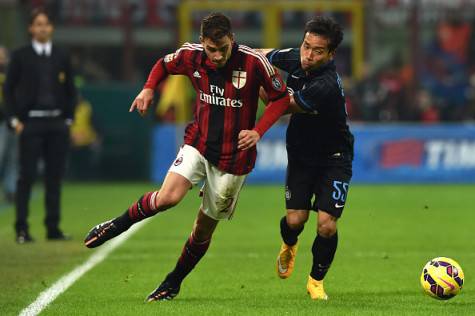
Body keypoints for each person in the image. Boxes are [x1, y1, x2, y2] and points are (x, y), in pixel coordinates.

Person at [84, 13, 289, 301]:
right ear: (203, 42)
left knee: (203, 230)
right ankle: (116, 225)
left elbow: (280, 99)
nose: (216, 56)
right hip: (199, 143)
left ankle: (173, 282)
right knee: (167, 198)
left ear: (232, 39)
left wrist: (258, 131)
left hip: (234, 158)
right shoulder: (192, 56)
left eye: (222, 49)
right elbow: (164, 64)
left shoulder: (254, 62)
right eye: (211, 49)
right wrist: (147, 88)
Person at [258, 16, 354, 300]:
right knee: (295, 221)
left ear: (331, 54)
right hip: (301, 154)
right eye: (306, 46)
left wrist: (257, 84)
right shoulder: (297, 58)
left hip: (335, 157)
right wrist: (246, 60)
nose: (308, 55)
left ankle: (315, 281)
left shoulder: (325, 85)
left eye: (317, 51)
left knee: (326, 224)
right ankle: (289, 244)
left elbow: (280, 105)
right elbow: (262, 55)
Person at [3, 8, 76, 243]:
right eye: (38, 24)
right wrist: (14, 120)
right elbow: (8, 90)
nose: (42, 28)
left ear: (51, 28)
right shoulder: (21, 55)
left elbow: (71, 90)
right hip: (30, 122)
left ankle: (52, 228)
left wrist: (68, 119)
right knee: (26, 177)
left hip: (56, 122)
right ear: (31, 28)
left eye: (46, 24)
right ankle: (22, 229)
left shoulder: (61, 55)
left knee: (54, 177)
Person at [0, 46, 18, 203]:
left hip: (12, 120)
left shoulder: (13, 74)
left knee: (13, 157)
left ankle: (10, 189)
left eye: (3, 55)